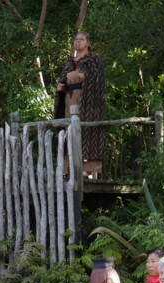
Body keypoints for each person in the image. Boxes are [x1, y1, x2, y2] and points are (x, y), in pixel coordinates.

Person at [54, 32, 105, 176]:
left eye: (81, 39)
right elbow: (63, 81)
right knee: (67, 131)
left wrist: (82, 76)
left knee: (88, 132)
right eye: (76, 39)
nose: (78, 41)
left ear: (87, 43)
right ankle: (67, 169)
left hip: (88, 102)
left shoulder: (93, 59)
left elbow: (98, 79)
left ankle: (88, 169)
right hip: (69, 100)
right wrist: (61, 88)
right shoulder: (69, 62)